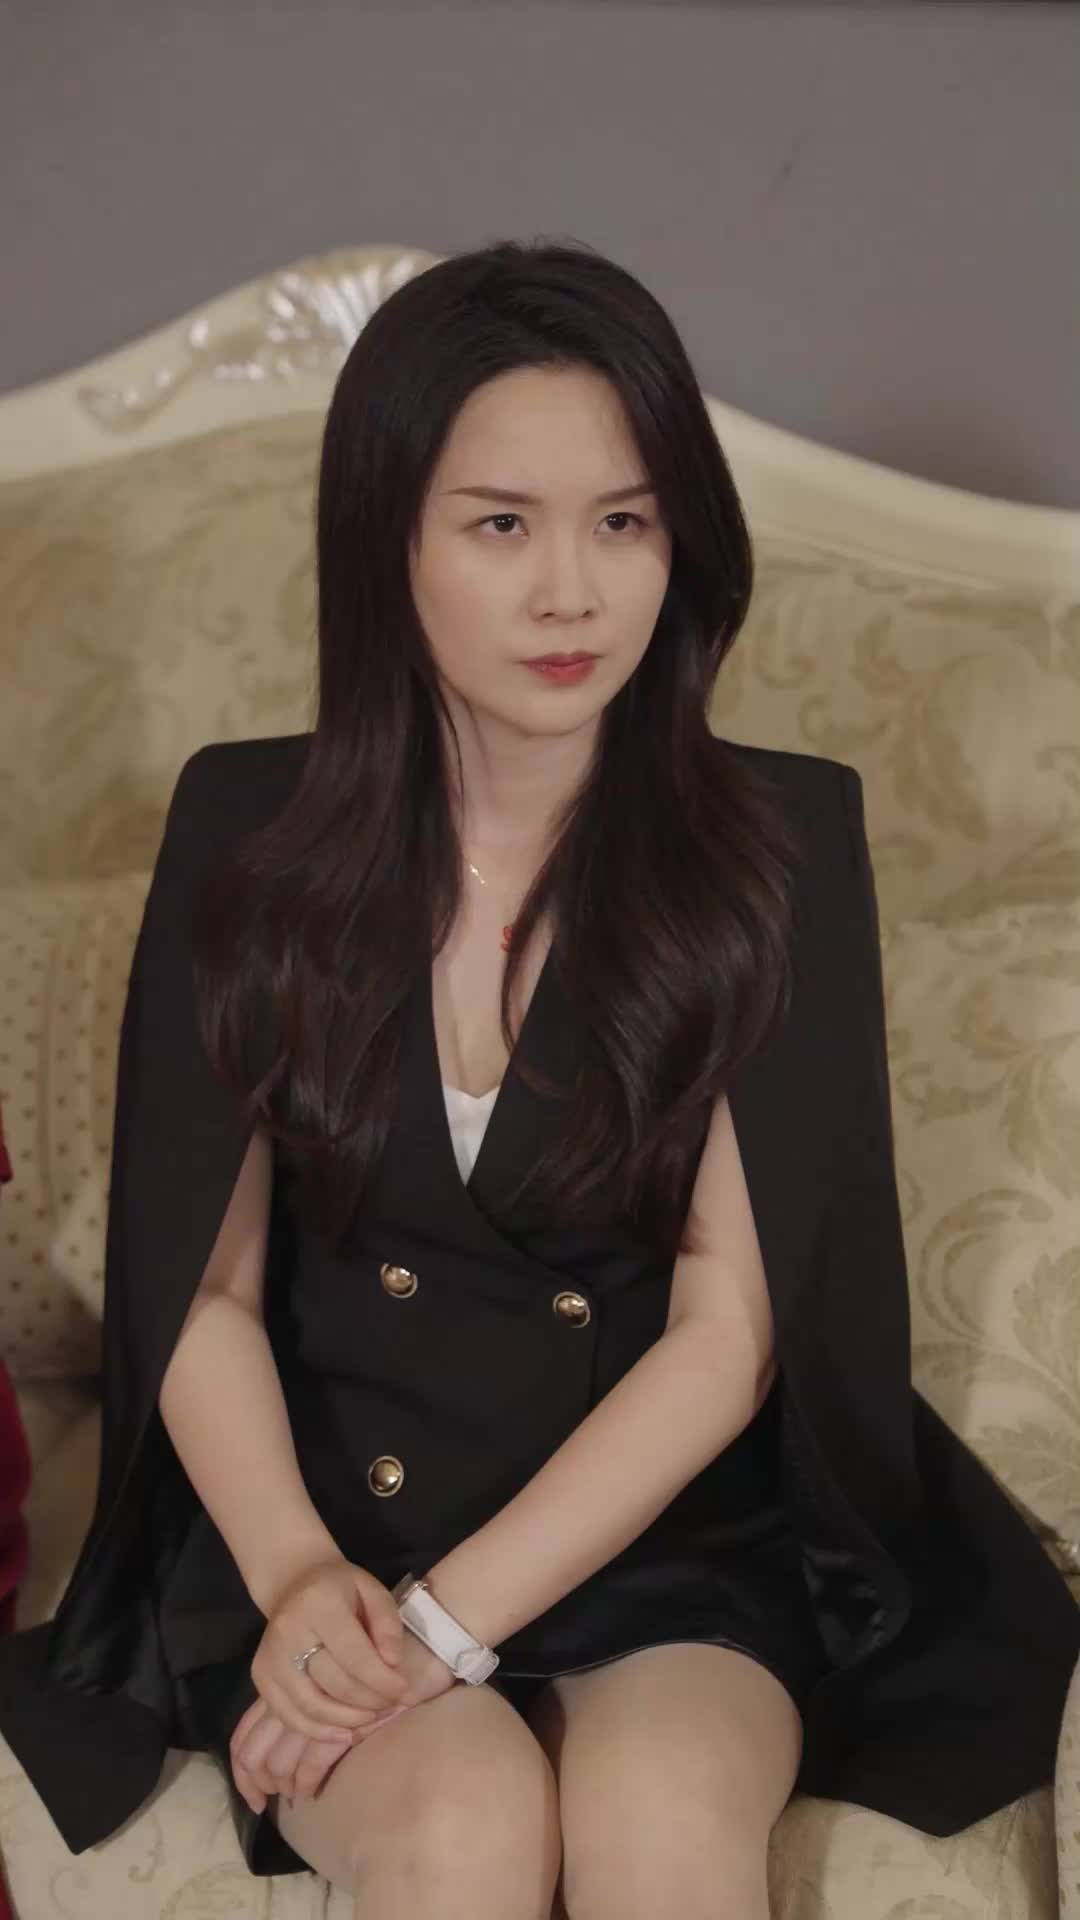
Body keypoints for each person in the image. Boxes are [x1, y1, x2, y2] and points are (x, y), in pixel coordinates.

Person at [0, 238, 1076, 1919]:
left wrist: (449, 1626)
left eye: (623, 522)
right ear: (388, 543)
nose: (572, 593)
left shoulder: (778, 846)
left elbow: (729, 1332)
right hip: (328, 1514)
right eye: (502, 525)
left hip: (663, 1525)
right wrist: (306, 1586)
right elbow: (198, 1290)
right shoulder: (245, 831)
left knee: (662, 1830)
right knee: (462, 1833)